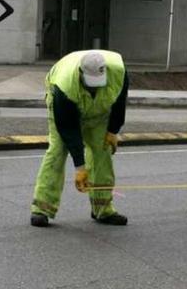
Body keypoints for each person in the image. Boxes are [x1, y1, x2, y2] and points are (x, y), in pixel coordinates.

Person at [30, 50, 129, 228]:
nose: (94, 87)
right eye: (90, 84)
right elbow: (69, 129)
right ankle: (42, 209)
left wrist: (113, 131)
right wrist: (80, 168)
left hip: (99, 112)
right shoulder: (64, 85)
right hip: (66, 108)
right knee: (57, 152)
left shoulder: (118, 72)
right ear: (81, 74)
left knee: (103, 152)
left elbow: (120, 102)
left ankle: (103, 209)